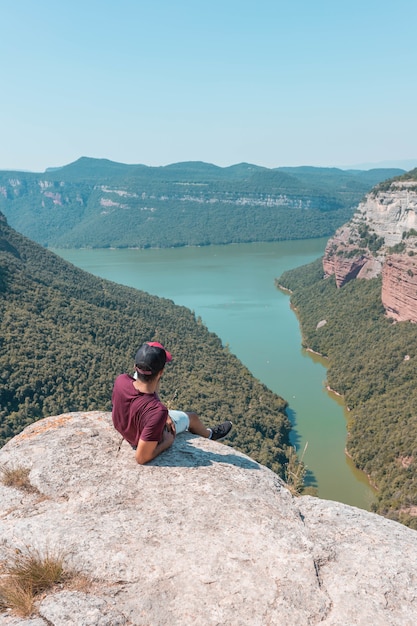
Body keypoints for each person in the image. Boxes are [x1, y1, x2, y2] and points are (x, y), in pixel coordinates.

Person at [112, 341, 233, 464]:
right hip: (140, 439)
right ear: (161, 372)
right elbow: (141, 458)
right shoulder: (158, 412)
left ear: (135, 366)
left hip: (125, 428)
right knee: (192, 417)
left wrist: (165, 415)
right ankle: (210, 435)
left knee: (146, 386)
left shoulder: (121, 380)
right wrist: (167, 442)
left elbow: (146, 391)